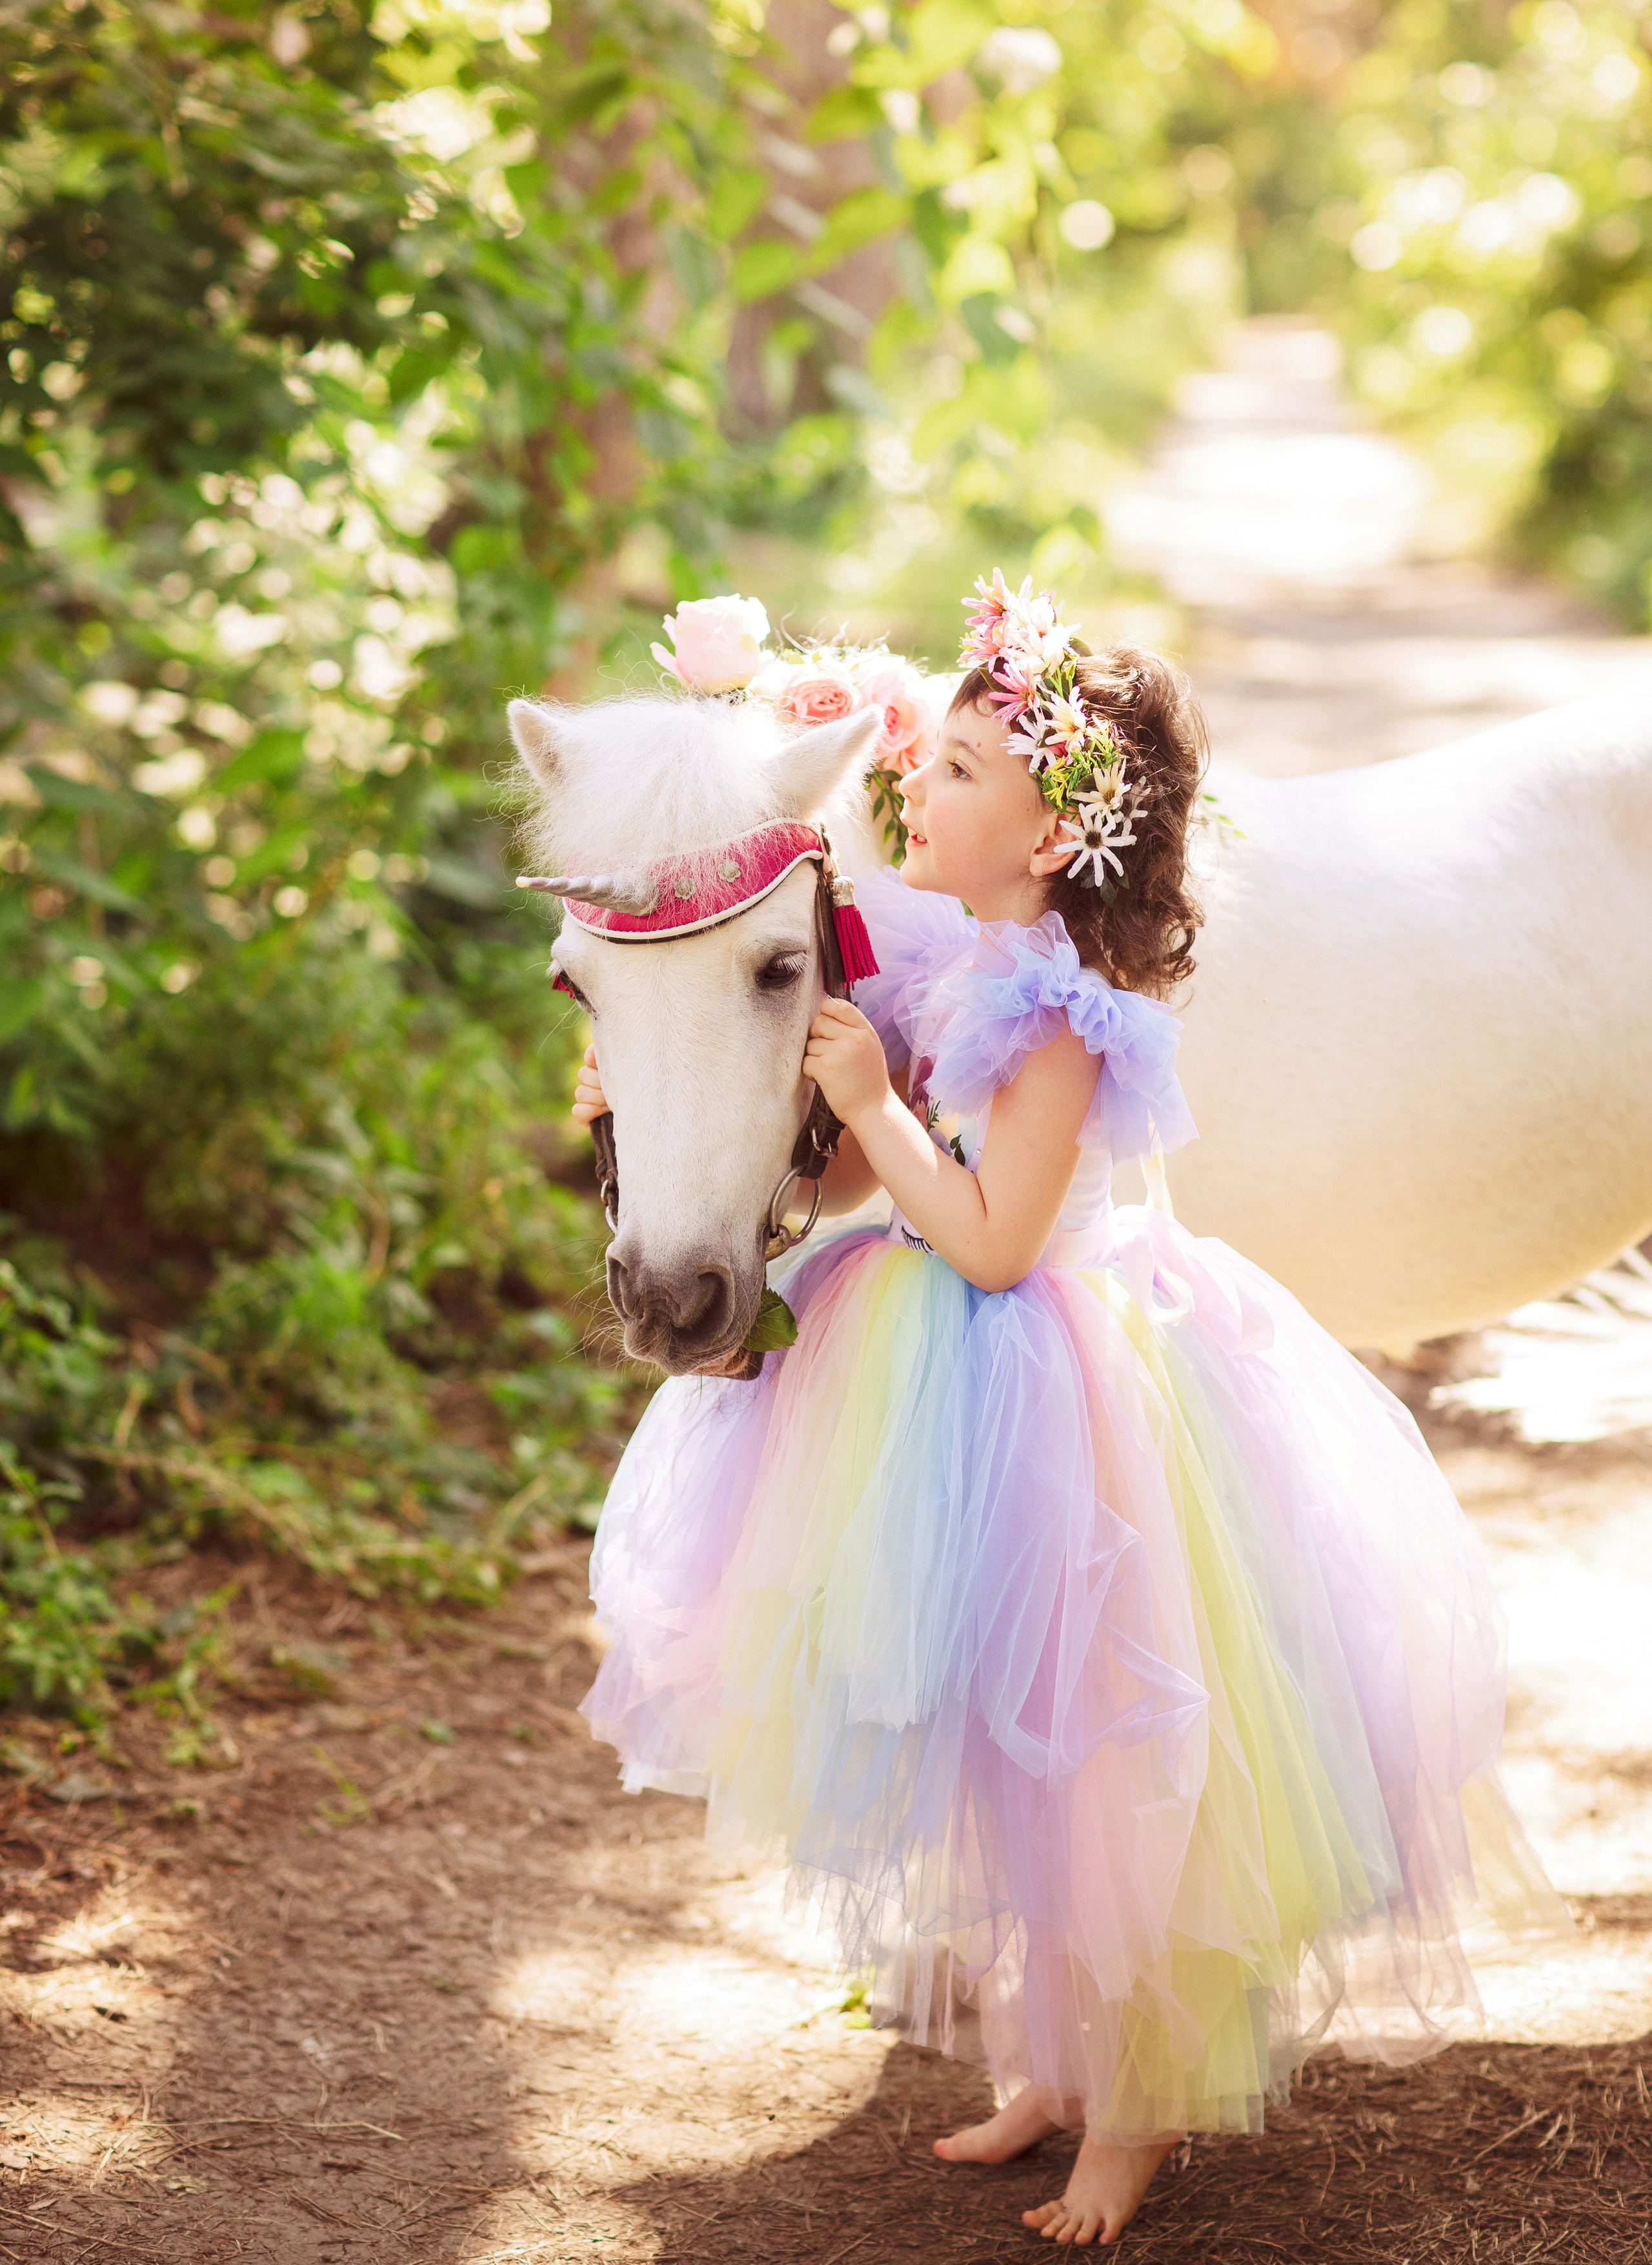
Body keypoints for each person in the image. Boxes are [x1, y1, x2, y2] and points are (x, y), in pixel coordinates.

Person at [569, 575, 1564, 2247]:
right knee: (1002, 1760)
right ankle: (1048, 2060)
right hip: (954, 1378)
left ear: (1045, 842)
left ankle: (1148, 2110)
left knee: (1117, 1771)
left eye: (956, 772)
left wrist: (876, 1111)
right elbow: (814, 1018)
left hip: (1075, 1391)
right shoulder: (972, 952)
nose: (916, 788)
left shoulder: (1060, 1019)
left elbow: (993, 1235)